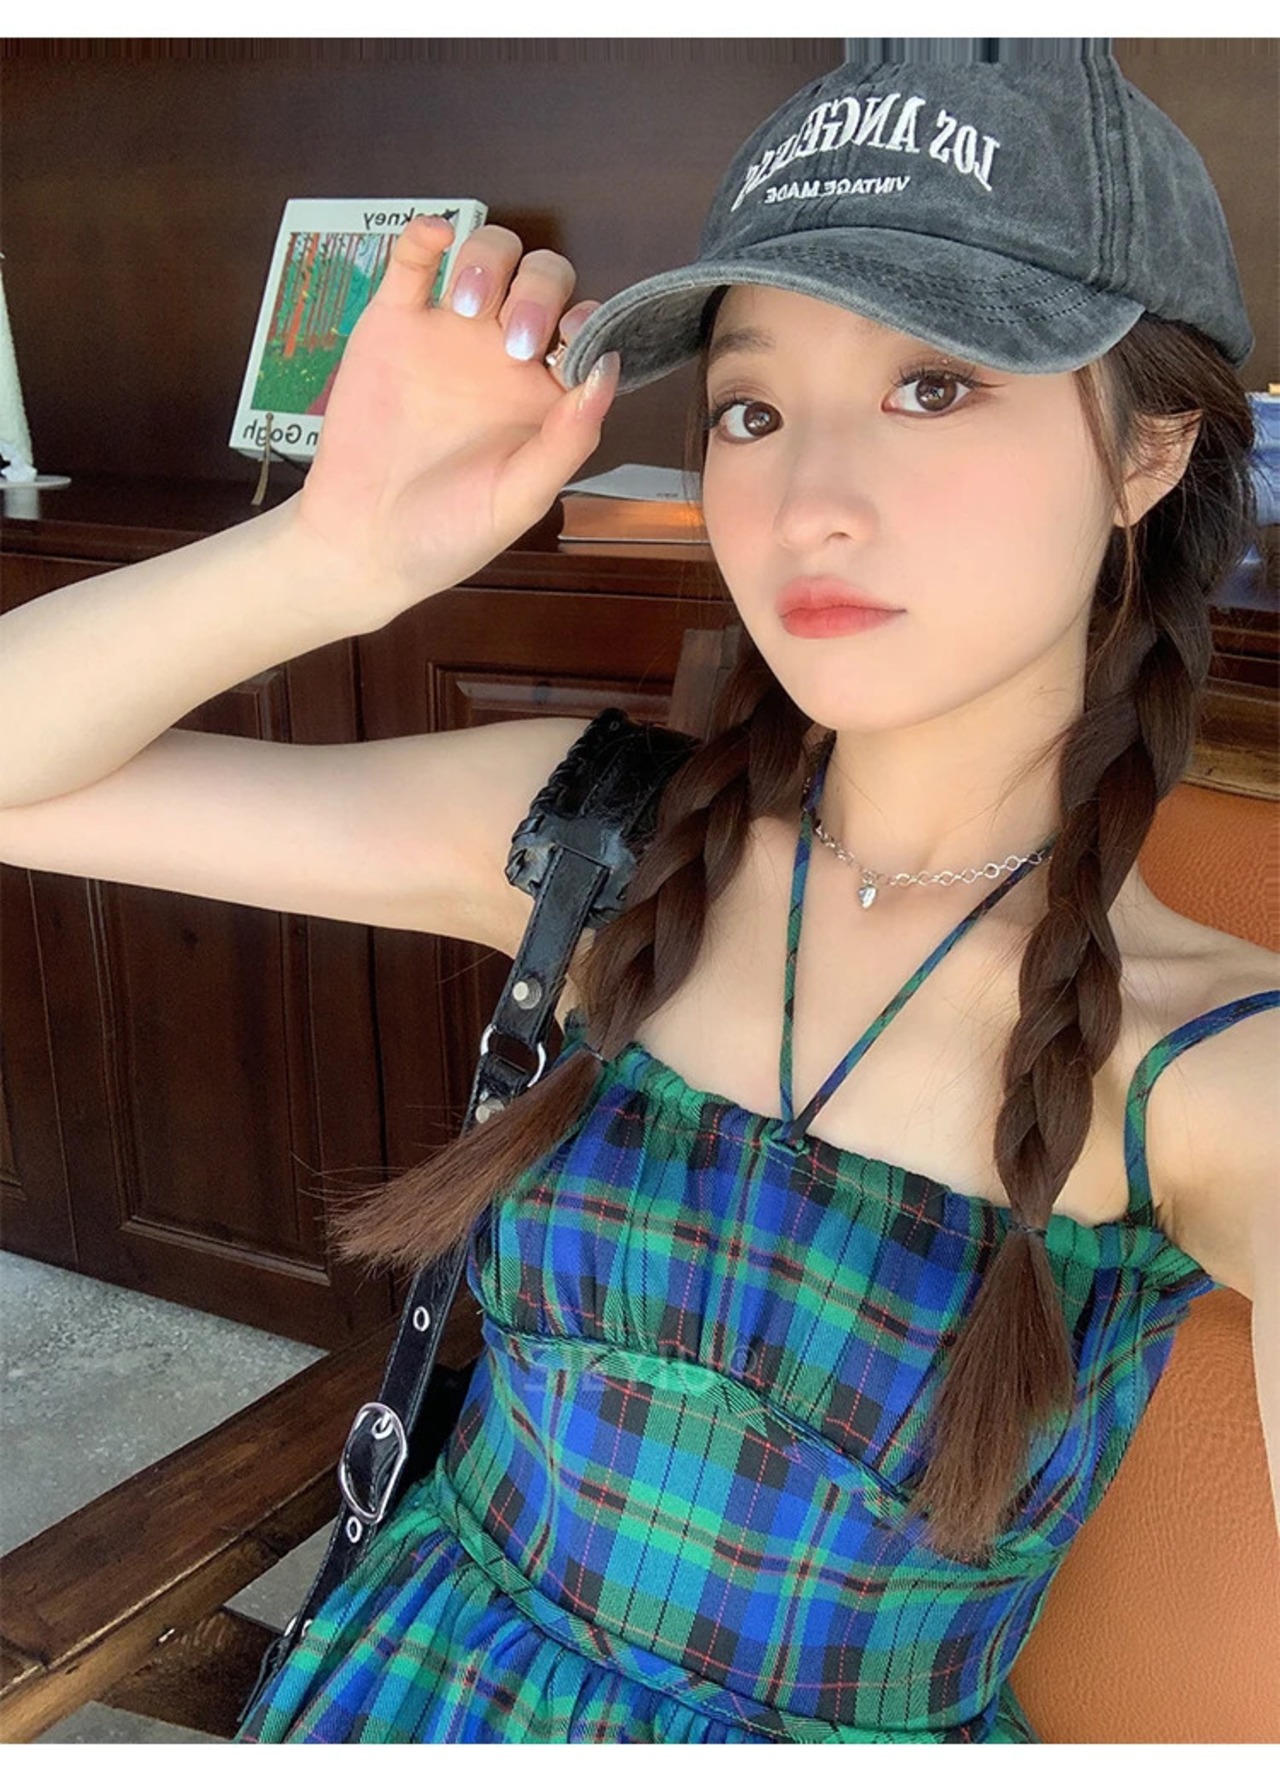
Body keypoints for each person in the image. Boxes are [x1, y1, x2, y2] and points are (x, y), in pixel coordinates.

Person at [2, 48, 1276, 1744]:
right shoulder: (593, 834)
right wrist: (334, 554)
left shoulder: (1219, 1075)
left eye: (935, 384)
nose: (811, 502)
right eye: (752, 410)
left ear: (1149, 451)